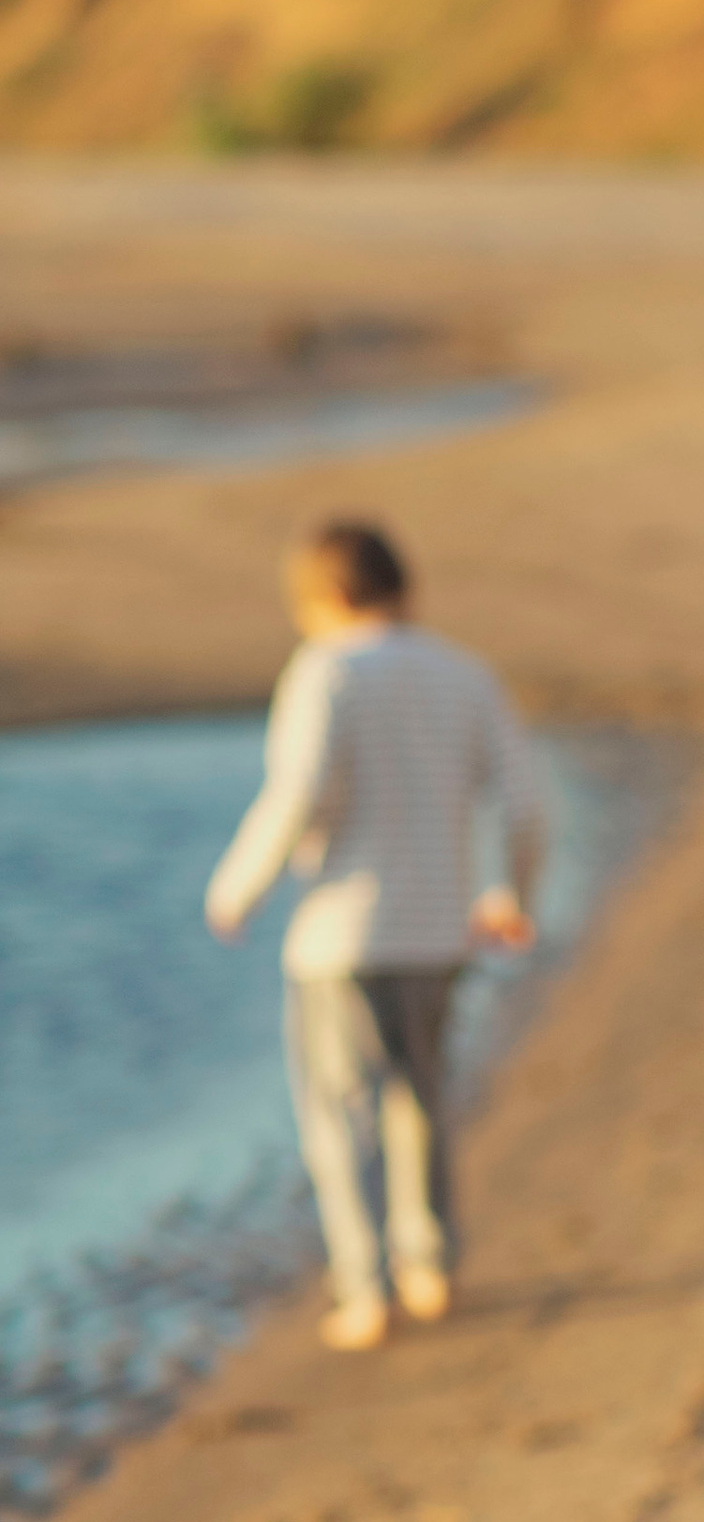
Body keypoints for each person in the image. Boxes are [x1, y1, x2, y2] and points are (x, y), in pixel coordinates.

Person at [205, 517, 548, 1354]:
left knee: (342, 1118)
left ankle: (366, 1290)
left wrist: (236, 889)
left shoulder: (326, 672)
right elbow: (529, 803)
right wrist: (511, 892)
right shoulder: (464, 675)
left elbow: (297, 792)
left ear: (322, 598)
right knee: (421, 1103)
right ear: (404, 587)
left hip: (339, 936)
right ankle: (429, 1266)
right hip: (438, 931)